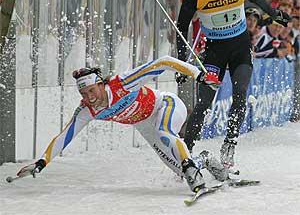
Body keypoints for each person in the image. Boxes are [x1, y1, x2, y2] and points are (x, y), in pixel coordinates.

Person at [16, 55, 229, 193]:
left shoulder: (123, 82)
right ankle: (202, 160)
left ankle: (190, 166)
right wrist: (41, 163)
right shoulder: (87, 110)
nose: (89, 97)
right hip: (145, 126)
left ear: (101, 84)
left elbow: (163, 62)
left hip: (165, 105)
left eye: (92, 91)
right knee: (180, 171)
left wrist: (199, 75)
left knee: (165, 132)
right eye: (83, 93)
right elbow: (65, 136)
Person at [176, 0, 291, 168]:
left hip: (241, 50)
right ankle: (186, 154)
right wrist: (182, 62)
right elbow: (181, 28)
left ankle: (229, 144)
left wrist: (274, 14)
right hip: (214, 55)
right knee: (204, 102)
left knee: (240, 91)